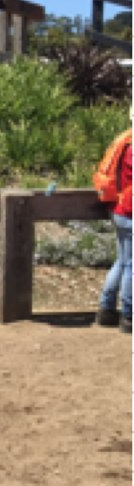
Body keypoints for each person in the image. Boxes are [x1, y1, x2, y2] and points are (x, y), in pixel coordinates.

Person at [96, 127, 132, 333]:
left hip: (119, 209)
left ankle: (107, 309)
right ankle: (129, 316)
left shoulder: (126, 139)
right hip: (129, 211)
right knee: (131, 266)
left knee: (123, 261)